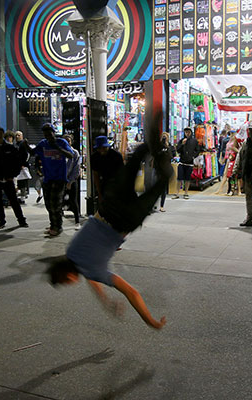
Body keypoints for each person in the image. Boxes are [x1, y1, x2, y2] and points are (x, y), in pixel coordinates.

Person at [45, 113, 171, 330]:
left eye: (68, 282)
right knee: (133, 162)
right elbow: (91, 279)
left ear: (69, 275)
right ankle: (154, 135)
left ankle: (164, 160)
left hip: (125, 220)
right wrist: (104, 301)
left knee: (161, 184)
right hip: (109, 206)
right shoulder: (72, 252)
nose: (72, 284)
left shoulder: (93, 271)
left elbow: (131, 291)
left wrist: (150, 320)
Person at [31, 123, 75, 237]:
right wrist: (25, 146)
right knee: (48, 205)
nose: (48, 136)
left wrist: (58, 148)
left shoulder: (61, 142)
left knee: (55, 204)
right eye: (45, 134)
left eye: (49, 133)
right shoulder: (43, 144)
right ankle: (53, 224)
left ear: (54, 132)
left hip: (59, 178)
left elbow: (71, 155)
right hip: (47, 178)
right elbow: (33, 152)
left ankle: (58, 226)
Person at [91, 135, 124, 201]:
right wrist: (99, 192)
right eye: (99, 148)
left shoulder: (116, 156)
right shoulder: (95, 157)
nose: (101, 150)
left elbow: (122, 173)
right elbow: (96, 174)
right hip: (104, 182)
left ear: (107, 147)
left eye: (104, 148)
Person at [173, 126, 200, 199]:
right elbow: (178, 150)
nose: (187, 133)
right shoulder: (182, 140)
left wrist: (193, 156)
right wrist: (182, 144)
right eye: (186, 132)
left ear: (191, 132)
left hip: (190, 163)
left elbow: (197, 150)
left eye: (188, 132)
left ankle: (186, 193)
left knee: (187, 179)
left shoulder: (194, 141)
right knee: (179, 178)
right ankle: (177, 193)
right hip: (182, 162)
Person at [62, 135, 82, 230]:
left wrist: (70, 182)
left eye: (69, 141)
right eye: (65, 141)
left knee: (73, 201)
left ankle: (77, 221)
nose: (67, 143)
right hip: (61, 181)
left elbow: (76, 169)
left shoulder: (75, 153)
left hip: (71, 181)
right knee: (59, 201)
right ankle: (57, 223)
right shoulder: (60, 152)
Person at [159, 132, 176, 212]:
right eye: (163, 137)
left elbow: (171, 156)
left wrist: (166, 147)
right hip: (157, 169)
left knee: (163, 189)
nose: (164, 138)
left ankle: (162, 205)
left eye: (165, 137)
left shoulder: (170, 147)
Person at [14, 130, 31, 203]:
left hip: (23, 166)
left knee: (23, 183)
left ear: (22, 136)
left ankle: (22, 198)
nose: (17, 137)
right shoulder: (15, 144)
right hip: (17, 166)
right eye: (16, 135)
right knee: (17, 182)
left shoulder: (23, 144)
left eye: (19, 135)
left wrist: (23, 164)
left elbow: (27, 155)